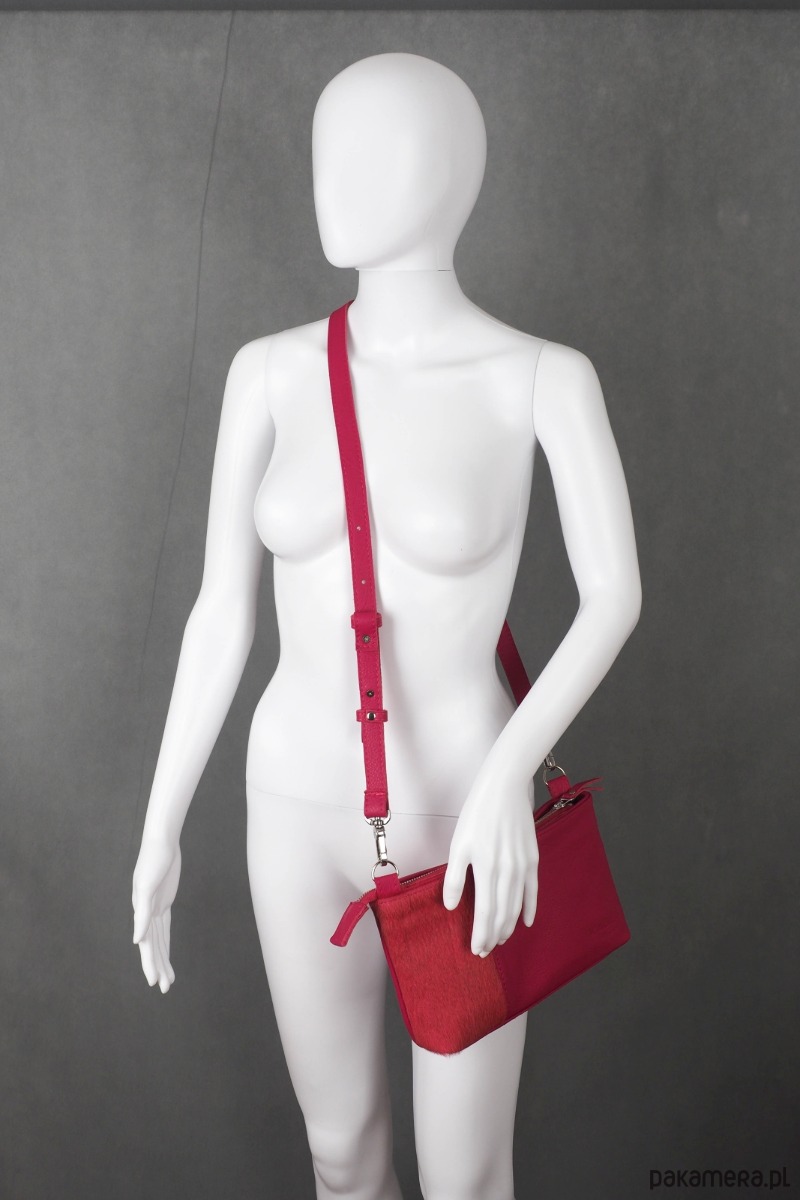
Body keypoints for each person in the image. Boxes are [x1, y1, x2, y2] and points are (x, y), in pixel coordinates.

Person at [132, 51, 641, 1200]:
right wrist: (161, 825)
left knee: (466, 1180)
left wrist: (509, 775)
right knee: (338, 1156)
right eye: (326, 149)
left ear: (453, 172)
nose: (333, 179)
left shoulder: (538, 377)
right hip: (288, 801)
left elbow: (614, 595)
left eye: (374, 152)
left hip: (463, 810)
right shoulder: (266, 374)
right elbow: (221, 609)